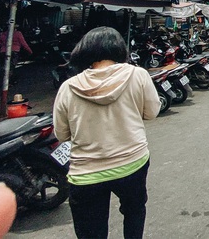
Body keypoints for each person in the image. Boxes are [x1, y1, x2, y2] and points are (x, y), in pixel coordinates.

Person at [53, 27, 161, 239]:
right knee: (134, 211)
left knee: (91, 230)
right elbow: (152, 112)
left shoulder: (68, 87)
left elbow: (61, 134)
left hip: (86, 173)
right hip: (132, 163)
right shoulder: (138, 75)